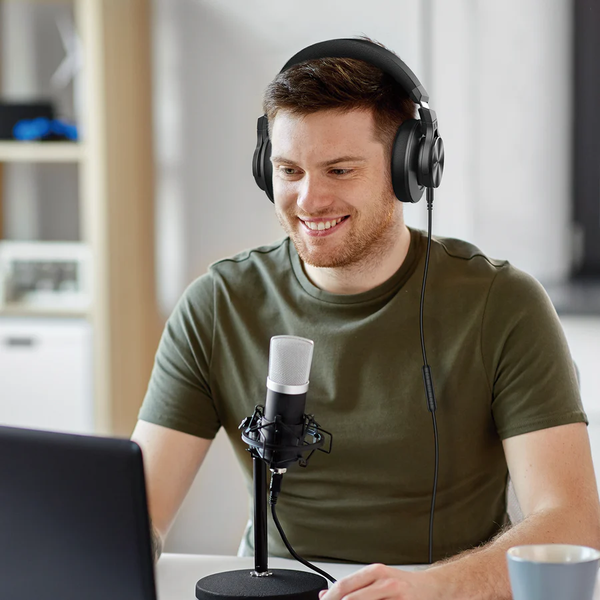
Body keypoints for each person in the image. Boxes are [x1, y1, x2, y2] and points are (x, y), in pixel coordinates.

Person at [132, 37, 600, 599]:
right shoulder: (218, 304)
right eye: (288, 169)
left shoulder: (503, 304)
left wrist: (430, 588)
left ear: (410, 168)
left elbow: (572, 524)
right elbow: (140, 511)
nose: (308, 199)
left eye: (339, 170)